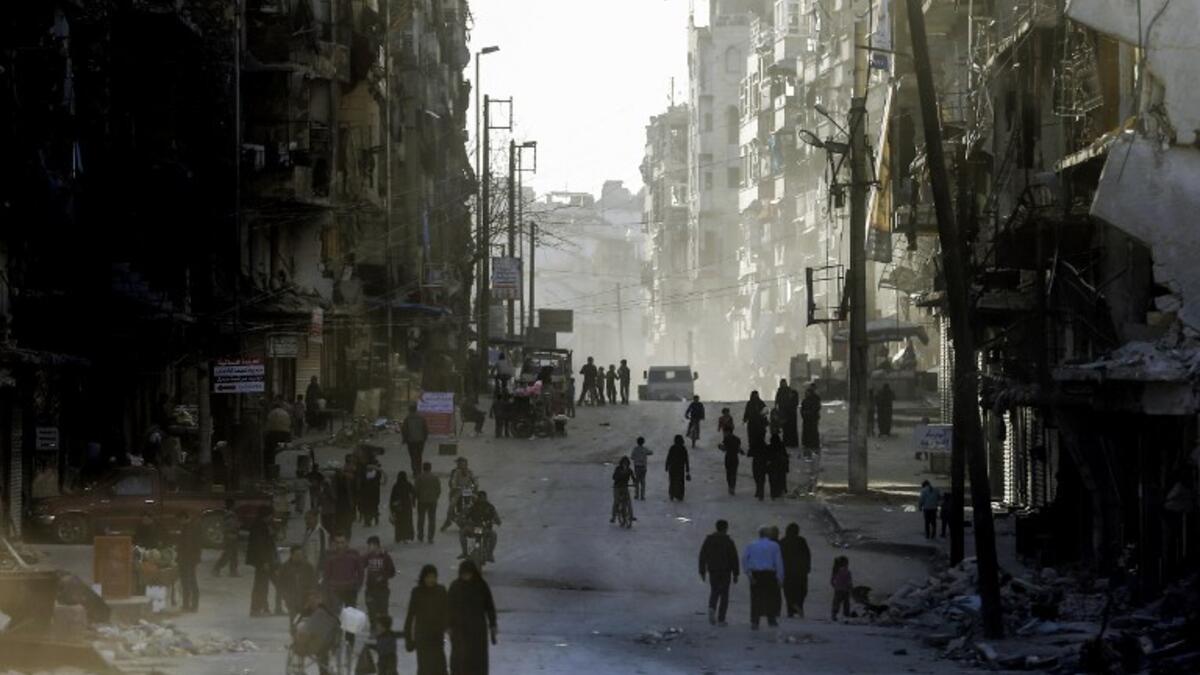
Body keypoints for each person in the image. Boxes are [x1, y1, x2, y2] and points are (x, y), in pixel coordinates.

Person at [448, 559, 498, 675]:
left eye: (468, 573)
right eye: (464, 574)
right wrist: (448, 625)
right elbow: (448, 607)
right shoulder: (455, 586)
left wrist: (493, 624)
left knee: (477, 661)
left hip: (477, 632)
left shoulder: (481, 586)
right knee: (459, 661)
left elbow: (489, 606)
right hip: (459, 631)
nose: (466, 576)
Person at [404, 564, 450, 675]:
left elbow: (447, 612)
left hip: (437, 637)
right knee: (424, 668)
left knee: (440, 667)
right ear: (423, 577)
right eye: (428, 577)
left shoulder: (441, 591)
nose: (431, 580)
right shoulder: (417, 592)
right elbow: (410, 616)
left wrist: (447, 627)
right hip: (422, 638)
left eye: (433, 577)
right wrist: (409, 639)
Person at [698, 520, 740, 626]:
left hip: (713, 570)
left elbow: (703, 555)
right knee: (724, 595)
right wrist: (736, 574)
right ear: (726, 528)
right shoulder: (728, 541)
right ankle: (721, 619)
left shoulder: (709, 540)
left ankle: (712, 608)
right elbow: (734, 558)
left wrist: (702, 571)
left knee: (714, 591)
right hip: (726, 571)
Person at [743, 526, 785, 629]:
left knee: (755, 597)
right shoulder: (774, 546)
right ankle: (771, 619)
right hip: (770, 574)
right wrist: (780, 578)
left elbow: (744, 559)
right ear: (768, 534)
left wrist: (749, 574)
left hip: (756, 574)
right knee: (770, 597)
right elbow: (778, 563)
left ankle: (755, 621)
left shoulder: (751, 545)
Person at [246, 506, 276, 617]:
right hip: (262, 561)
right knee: (261, 585)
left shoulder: (261, 525)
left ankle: (261, 608)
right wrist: (265, 561)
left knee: (262, 584)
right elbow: (261, 546)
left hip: (262, 561)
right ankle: (257, 608)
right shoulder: (260, 526)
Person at [321, 534, 364, 611]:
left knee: (351, 612)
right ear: (334, 543)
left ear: (347, 542)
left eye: (342, 542)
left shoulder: (354, 553)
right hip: (335, 590)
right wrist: (326, 589)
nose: (340, 545)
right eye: (337, 543)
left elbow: (360, 571)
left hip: (350, 589)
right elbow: (326, 574)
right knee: (336, 612)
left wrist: (358, 585)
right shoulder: (330, 555)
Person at [277, 545, 318, 622]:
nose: (299, 557)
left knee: (309, 613)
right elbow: (280, 583)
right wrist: (284, 595)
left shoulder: (308, 566)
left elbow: (314, 581)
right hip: (291, 596)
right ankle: (293, 624)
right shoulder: (285, 567)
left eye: (300, 555)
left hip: (306, 595)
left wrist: (312, 594)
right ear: (292, 555)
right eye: (297, 555)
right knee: (294, 616)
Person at [779, 523, 811, 618]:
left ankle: (791, 609)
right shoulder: (801, 541)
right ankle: (798, 605)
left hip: (787, 571)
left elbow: (779, 557)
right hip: (800, 571)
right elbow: (807, 555)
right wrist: (807, 567)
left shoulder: (783, 541)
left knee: (788, 591)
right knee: (801, 590)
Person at [458, 490, 500, 562]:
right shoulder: (472, 506)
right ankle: (465, 552)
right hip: (475, 528)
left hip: (484, 529)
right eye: (480, 498)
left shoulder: (490, 507)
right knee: (462, 532)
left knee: (493, 535)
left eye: (483, 498)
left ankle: (489, 554)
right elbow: (463, 516)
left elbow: (497, 518)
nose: (482, 500)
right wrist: (464, 520)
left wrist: (495, 521)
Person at [364, 535, 397, 621]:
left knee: (383, 614)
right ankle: (373, 628)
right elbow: (360, 565)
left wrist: (383, 577)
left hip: (382, 590)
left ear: (376, 545)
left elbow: (392, 572)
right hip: (370, 590)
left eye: (370, 545)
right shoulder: (368, 556)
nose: (368, 548)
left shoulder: (385, 557)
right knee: (372, 614)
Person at [176, 511, 202, 612]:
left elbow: (196, 545)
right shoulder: (185, 527)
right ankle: (186, 604)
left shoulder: (193, 528)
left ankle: (194, 605)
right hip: (184, 559)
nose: (179, 522)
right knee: (185, 582)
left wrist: (195, 559)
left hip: (190, 559)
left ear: (183, 518)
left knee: (191, 581)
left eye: (180, 520)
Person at [212, 499, 240, 577]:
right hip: (231, 536)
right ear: (232, 506)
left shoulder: (229, 514)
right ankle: (217, 569)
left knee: (233, 555)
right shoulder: (230, 515)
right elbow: (230, 526)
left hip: (231, 536)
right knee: (228, 555)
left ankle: (233, 571)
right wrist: (235, 529)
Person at [264, 398, 292, 476]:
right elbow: (290, 424)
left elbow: (268, 425)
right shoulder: (285, 413)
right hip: (285, 435)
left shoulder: (271, 413)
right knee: (284, 449)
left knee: (269, 451)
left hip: (273, 434)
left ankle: (269, 467)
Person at [415, 462, 441, 544]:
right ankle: (430, 537)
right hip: (432, 501)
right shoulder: (435, 477)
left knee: (421, 519)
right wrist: (435, 497)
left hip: (422, 500)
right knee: (432, 519)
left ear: (423, 468)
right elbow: (438, 489)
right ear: (430, 468)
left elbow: (416, 489)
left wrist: (417, 497)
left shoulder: (419, 477)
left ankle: (420, 536)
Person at [402, 403, 430, 477]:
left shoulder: (407, 418)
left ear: (410, 410)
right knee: (419, 456)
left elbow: (404, 430)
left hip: (411, 441)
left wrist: (404, 439)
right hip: (420, 440)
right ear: (416, 409)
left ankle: (415, 471)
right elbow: (426, 429)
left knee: (413, 457)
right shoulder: (422, 418)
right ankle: (419, 471)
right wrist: (425, 438)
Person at [389, 470, 415, 544]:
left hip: (398, 507)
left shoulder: (396, 485)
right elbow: (413, 493)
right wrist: (413, 503)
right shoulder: (408, 484)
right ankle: (406, 537)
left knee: (399, 523)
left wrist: (392, 508)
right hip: (407, 506)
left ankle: (398, 537)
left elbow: (392, 497)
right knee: (407, 522)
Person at [665, 434, 691, 502]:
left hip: (672, 468)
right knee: (680, 482)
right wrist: (687, 470)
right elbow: (686, 460)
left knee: (672, 481)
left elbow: (668, 457)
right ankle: (680, 495)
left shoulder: (672, 448)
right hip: (680, 468)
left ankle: (672, 493)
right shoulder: (683, 448)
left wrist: (666, 466)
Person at [610, 456, 635, 524]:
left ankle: (631, 516)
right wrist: (619, 475)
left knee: (628, 501)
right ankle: (613, 517)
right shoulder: (618, 469)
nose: (625, 464)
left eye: (626, 463)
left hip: (625, 487)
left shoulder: (629, 470)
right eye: (624, 463)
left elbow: (633, 477)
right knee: (616, 501)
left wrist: (635, 483)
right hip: (617, 487)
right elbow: (614, 477)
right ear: (621, 463)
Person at [776, 379, 800, 449]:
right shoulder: (780, 391)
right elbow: (777, 401)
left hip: (789, 412)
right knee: (785, 428)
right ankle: (787, 442)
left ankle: (791, 442)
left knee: (790, 428)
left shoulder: (789, 391)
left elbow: (794, 402)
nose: (783, 384)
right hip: (784, 412)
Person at [359, 461, 383, 527]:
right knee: (370, 508)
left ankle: (370, 520)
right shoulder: (374, 474)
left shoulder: (372, 474)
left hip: (371, 494)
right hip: (370, 494)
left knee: (371, 508)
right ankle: (369, 521)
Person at [800, 385, 822, 456]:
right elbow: (802, 409)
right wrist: (804, 414)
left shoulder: (815, 399)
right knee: (807, 431)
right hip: (806, 418)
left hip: (813, 418)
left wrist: (810, 413)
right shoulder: (805, 400)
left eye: (808, 392)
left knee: (813, 431)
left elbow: (817, 407)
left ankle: (813, 444)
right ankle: (807, 444)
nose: (807, 394)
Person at [766, 432, 789, 499]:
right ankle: (780, 490)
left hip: (772, 467)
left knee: (773, 481)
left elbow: (767, 457)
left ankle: (774, 493)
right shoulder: (781, 447)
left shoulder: (769, 447)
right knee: (781, 479)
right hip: (781, 466)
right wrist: (786, 467)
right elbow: (785, 457)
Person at [830, 555, 853, 621]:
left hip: (838, 589)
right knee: (846, 604)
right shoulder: (847, 571)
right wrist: (850, 587)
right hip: (845, 590)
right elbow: (849, 581)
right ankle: (846, 616)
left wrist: (835, 585)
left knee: (836, 603)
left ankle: (834, 615)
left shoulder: (836, 571)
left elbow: (832, 581)